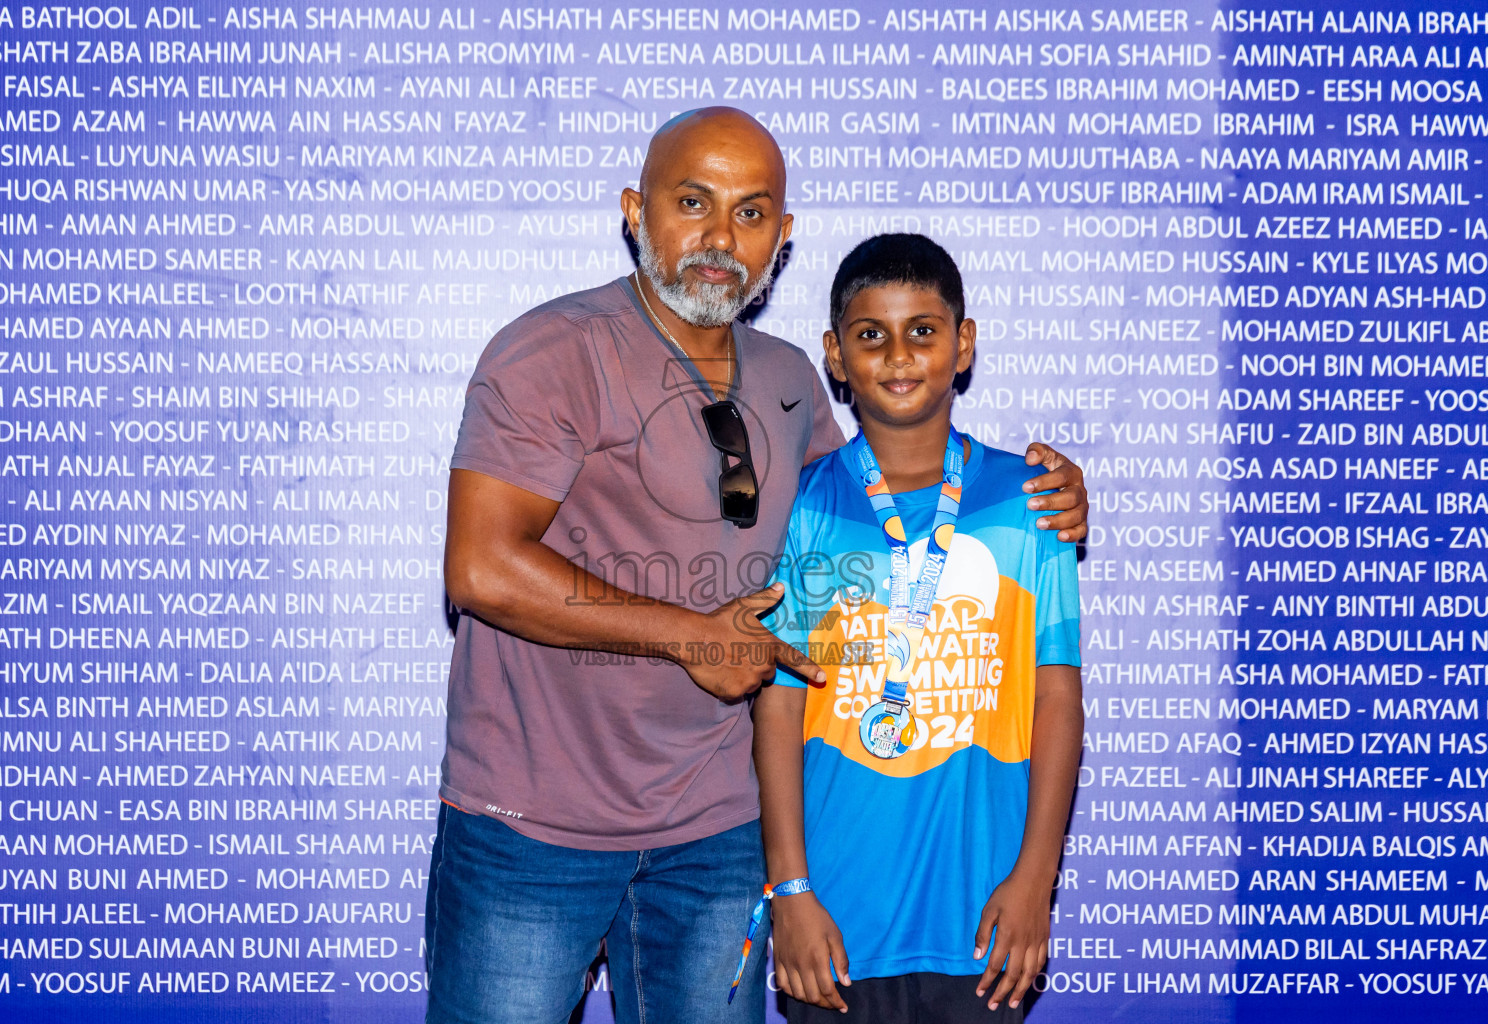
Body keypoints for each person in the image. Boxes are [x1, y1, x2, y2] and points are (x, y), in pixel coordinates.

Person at [430, 108, 1090, 1024]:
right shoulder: (551, 352)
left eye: (750, 213)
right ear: (636, 211)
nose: (718, 237)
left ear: (782, 238)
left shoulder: (791, 383)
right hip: (536, 830)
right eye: (692, 202)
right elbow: (481, 569)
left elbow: (880, 515)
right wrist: (690, 637)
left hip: (720, 835)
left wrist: (1047, 494)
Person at [755, 233, 1085, 1023]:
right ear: (836, 356)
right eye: (871, 335)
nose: (898, 355)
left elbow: (1057, 701)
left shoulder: (1027, 499)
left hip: (984, 921)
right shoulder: (805, 506)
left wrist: (1036, 878)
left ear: (962, 344)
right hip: (836, 922)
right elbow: (778, 703)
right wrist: (790, 890)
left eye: (923, 331)